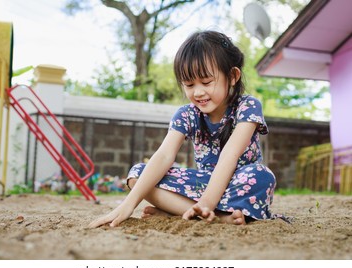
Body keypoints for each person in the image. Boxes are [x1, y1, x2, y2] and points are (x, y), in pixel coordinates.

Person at [89, 30, 279, 228]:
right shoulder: (186, 114)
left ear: (232, 76)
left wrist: (207, 202)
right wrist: (128, 204)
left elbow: (230, 155)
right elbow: (164, 156)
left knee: (261, 175)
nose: (198, 92)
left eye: (206, 82)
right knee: (138, 175)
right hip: (203, 185)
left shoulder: (248, 106)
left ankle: (187, 210)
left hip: (238, 185)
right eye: (189, 84)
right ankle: (216, 216)